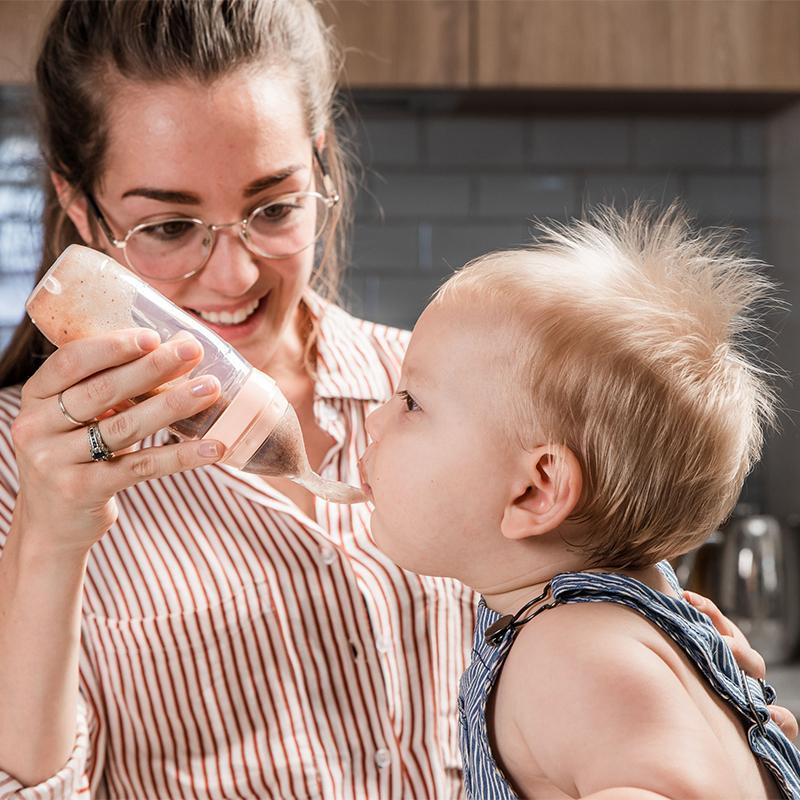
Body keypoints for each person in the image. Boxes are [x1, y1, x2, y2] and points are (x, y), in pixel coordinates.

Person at [0, 1, 791, 797]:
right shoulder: (23, 467)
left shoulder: (480, 393)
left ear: (318, 167)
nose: (233, 276)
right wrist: (48, 542)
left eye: (273, 209)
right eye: (170, 226)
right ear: (80, 207)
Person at [358, 205, 800, 799]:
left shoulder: (568, 652)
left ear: (535, 490)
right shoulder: (638, 614)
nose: (374, 417)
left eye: (411, 402)